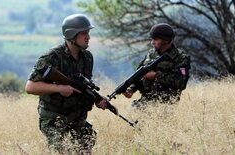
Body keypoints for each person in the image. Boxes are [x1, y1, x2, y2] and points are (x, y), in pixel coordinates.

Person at [25, 14, 108, 154]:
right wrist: (59, 88)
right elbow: (30, 87)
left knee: (86, 148)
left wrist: (97, 99)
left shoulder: (87, 57)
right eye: (84, 33)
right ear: (71, 34)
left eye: (88, 33)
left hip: (77, 118)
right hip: (54, 118)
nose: (88, 37)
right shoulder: (52, 57)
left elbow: (83, 86)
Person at [123, 23, 191, 108]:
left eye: (156, 39)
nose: (152, 42)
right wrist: (132, 89)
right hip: (145, 101)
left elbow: (181, 83)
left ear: (166, 40)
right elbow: (140, 76)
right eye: (152, 39)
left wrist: (156, 75)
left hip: (167, 104)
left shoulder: (180, 58)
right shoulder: (151, 55)